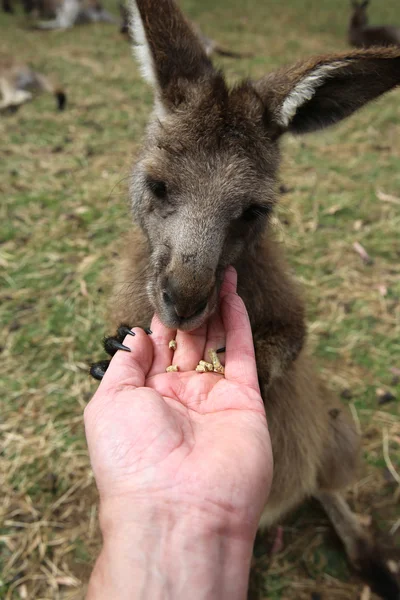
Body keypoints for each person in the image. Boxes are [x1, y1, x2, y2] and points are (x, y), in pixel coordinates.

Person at [84, 266, 273, 599]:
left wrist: (263, 364)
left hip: (262, 440)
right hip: (237, 449)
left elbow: (289, 331)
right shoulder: (142, 269)